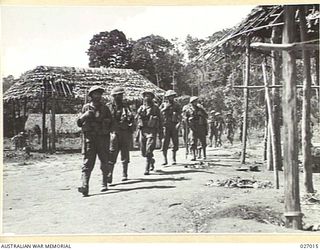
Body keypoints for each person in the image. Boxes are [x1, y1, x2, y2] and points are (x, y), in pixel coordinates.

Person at [77, 86, 112, 197]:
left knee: (104, 161)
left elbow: (111, 122)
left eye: (99, 94)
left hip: (102, 138)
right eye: (95, 94)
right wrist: (85, 115)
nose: (98, 96)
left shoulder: (105, 108)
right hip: (90, 139)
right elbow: (78, 123)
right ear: (91, 95)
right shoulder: (85, 107)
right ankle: (85, 186)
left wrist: (105, 122)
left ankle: (104, 183)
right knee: (87, 163)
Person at [107, 86, 134, 183]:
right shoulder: (109, 106)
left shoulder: (125, 106)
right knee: (112, 153)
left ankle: (124, 173)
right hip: (114, 133)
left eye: (121, 95)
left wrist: (129, 119)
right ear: (114, 96)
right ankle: (109, 174)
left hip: (124, 132)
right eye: (118, 95)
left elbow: (131, 117)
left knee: (125, 153)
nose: (120, 97)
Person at [136, 90, 163, 175]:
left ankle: (147, 168)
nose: (147, 97)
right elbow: (137, 119)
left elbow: (160, 120)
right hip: (143, 130)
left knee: (149, 150)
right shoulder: (140, 108)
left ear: (152, 97)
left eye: (149, 96)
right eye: (145, 96)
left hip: (152, 130)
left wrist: (161, 131)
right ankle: (151, 160)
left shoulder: (155, 108)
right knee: (143, 152)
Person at [159, 90, 182, 165]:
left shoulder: (177, 105)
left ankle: (173, 159)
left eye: (172, 96)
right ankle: (165, 159)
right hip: (165, 126)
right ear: (167, 97)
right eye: (170, 96)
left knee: (175, 142)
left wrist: (179, 123)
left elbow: (180, 115)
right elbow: (159, 113)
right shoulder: (163, 104)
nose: (171, 98)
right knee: (165, 142)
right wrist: (165, 108)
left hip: (174, 125)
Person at [183, 96, 208, 161]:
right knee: (193, 142)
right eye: (194, 101)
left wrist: (202, 114)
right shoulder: (188, 109)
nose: (195, 103)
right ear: (191, 102)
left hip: (201, 126)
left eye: (196, 101)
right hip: (193, 127)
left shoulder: (200, 109)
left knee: (203, 141)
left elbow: (206, 115)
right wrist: (187, 119)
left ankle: (204, 155)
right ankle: (194, 155)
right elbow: (185, 117)